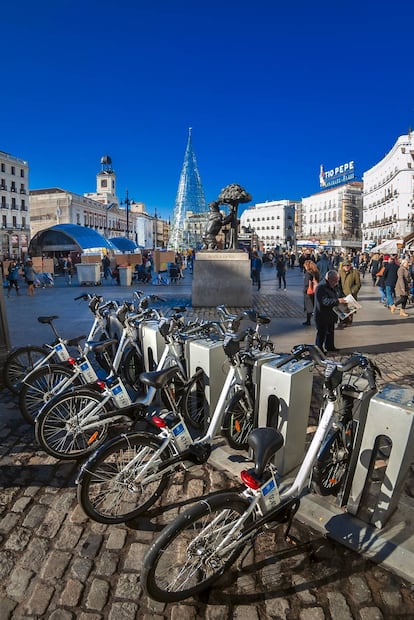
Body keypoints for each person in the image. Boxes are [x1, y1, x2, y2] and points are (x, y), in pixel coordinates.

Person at [314, 269, 347, 353]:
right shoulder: (321, 287)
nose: (336, 283)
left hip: (331, 314)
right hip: (322, 314)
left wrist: (344, 298)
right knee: (322, 333)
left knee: (330, 332)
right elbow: (324, 301)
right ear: (329, 279)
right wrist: (337, 301)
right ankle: (318, 350)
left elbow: (339, 293)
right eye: (335, 281)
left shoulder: (333, 285)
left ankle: (330, 347)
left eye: (337, 281)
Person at [338, 259, 361, 326]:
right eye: (345, 265)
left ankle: (349, 322)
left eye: (348, 265)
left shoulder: (354, 272)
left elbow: (358, 284)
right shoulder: (340, 272)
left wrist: (353, 291)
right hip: (341, 293)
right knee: (341, 308)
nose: (346, 267)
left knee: (350, 309)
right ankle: (342, 321)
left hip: (351, 294)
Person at [303, 259, 320, 326]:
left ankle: (308, 321)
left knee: (308, 307)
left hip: (309, 291)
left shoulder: (308, 273)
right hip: (315, 291)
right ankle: (313, 320)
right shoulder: (316, 272)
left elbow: (307, 283)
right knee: (314, 305)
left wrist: (305, 290)